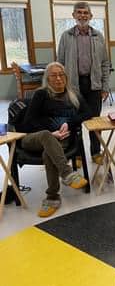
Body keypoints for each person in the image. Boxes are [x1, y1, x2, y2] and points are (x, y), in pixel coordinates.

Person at [17, 62, 91, 217]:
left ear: (66, 77)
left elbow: (87, 113)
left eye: (61, 74)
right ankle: (67, 173)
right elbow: (29, 121)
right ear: (47, 79)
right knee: (46, 135)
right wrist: (52, 132)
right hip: (33, 138)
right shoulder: (41, 94)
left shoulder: (73, 94)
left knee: (48, 153)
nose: (58, 78)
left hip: (57, 142)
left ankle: (52, 197)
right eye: (54, 75)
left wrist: (68, 123)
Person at [57, 1, 110, 165]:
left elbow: (105, 63)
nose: (82, 16)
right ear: (73, 16)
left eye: (85, 13)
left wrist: (105, 86)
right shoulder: (66, 36)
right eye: (79, 12)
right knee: (75, 119)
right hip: (73, 85)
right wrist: (62, 88)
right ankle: (77, 154)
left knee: (95, 119)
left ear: (91, 16)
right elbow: (60, 63)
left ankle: (96, 152)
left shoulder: (98, 36)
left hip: (94, 84)